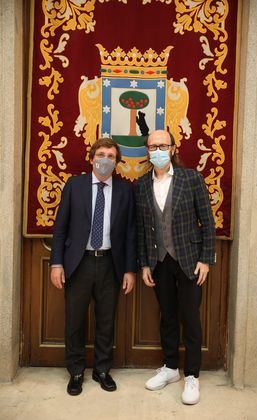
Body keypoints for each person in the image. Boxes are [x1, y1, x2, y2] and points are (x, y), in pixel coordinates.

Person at [50, 138, 137, 396]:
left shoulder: (124, 190)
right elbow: (60, 228)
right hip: (79, 263)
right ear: (91, 158)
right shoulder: (74, 186)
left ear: (117, 162)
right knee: (74, 321)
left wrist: (130, 270)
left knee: (106, 321)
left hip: (111, 264)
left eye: (111, 156)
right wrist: (56, 263)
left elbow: (131, 233)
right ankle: (76, 371)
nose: (106, 159)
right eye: (101, 154)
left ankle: (101, 370)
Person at [135, 130, 216, 405]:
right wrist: (144, 263)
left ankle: (192, 375)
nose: (157, 150)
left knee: (190, 317)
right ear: (147, 150)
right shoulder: (141, 184)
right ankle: (170, 368)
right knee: (167, 316)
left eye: (162, 145)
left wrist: (206, 259)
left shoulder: (191, 178)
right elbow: (143, 229)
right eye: (153, 146)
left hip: (190, 260)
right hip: (159, 262)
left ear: (172, 148)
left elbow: (207, 221)